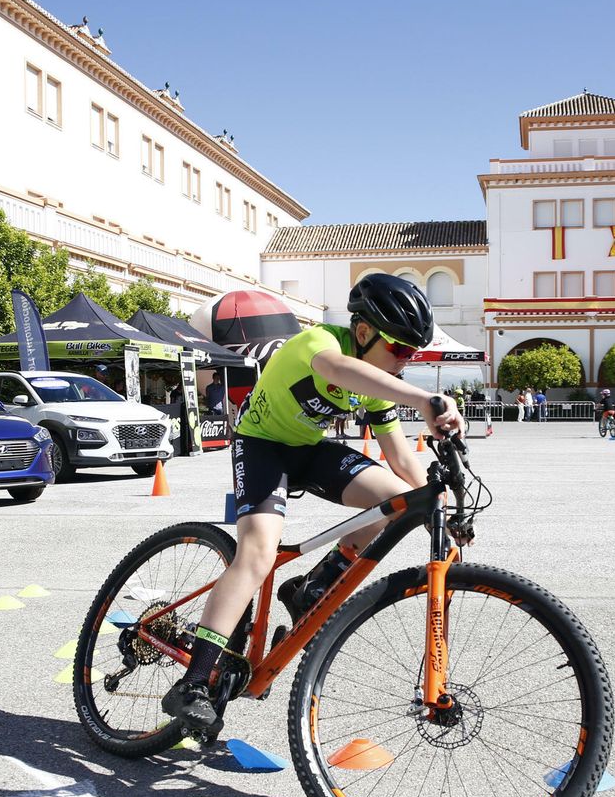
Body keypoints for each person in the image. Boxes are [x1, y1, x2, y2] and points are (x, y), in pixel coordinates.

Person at [159, 274, 461, 731]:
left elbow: (400, 455)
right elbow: (338, 371)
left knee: (398, 502)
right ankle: (194, 681)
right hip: (262, 445)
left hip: (308, 450)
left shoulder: (378, 382)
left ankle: (312, 588)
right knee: (258, 554)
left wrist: (436, 507)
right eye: (399, 350)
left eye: (411, 355)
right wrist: (424, 398)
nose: (404, 362)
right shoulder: (318, 341)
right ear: (363, 333)